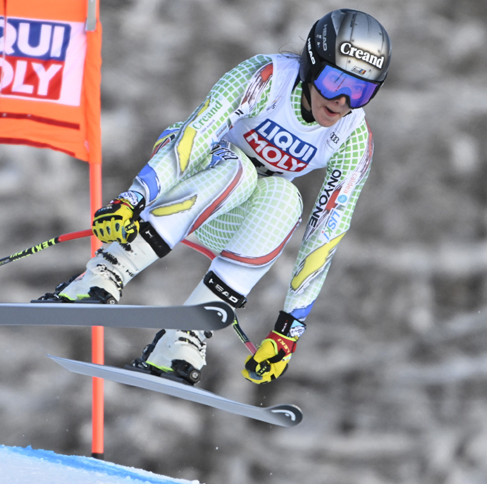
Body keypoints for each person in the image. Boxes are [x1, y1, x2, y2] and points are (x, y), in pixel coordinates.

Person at [37, 9, 392, 386]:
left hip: (229, 217)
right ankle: (106, 271)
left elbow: (326, 235)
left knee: (287, 201)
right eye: (335, 80)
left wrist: (289, 330)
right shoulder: (267, 78)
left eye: (361, 91)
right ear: (310, 63)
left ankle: (186, 333)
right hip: (181, 179)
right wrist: (132, 199)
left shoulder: (353, 139)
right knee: (237, 170)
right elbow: (193, 138)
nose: (341, 101)